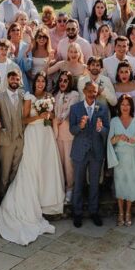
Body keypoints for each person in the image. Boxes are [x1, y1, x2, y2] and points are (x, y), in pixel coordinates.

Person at [0, 72, 65, 244]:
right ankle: (28, 202)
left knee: (46, 166)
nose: (40, 84)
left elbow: (53, 116)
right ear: (34, 83)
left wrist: (49, 116)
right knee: (31, 167)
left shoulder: (49, 97)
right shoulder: (29, 97)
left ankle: (45, 199)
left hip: (46, 135)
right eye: (38, 81)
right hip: (33, 134)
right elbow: (24, 119)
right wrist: (39, 116)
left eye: (43, 81)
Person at [69, 80, 110, 227]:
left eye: (95, 91)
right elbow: (72, 130)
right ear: (84, 91)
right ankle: (77, 213)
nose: (92, 94)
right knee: (78, 184)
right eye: (90, 91)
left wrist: (100, 129)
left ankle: (94, 212)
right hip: (80, 151)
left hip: (96, 152)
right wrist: (80, 126)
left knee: (94, 184)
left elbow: (107, 130)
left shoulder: (103, 108)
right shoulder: (75, 108)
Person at [107, 94, 135, 226]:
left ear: (131, 106)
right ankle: (121, 212)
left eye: (127, 104)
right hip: (120, 158)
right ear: (119, 106)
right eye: (122, 104)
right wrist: (118, 137)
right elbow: (110, 141)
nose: (125, 107)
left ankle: (128, 212)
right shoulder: (114, 121)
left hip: (133, 157)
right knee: (120, 185)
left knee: (132, 184)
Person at [0, 69, 26, 194]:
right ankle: (2, 197)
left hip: (20, 138)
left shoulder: (23, 96)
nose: (14, 81)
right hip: (6, 140)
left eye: (17, 79)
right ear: (8, 79)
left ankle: (12, 197)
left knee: (16, 170)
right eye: (12, 78)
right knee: (5, 171)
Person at [53, 72, 79, 203]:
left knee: (69, 164)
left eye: (65, 81)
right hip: (57, 134)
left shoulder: (74, 95)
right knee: (60, 163)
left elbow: (70, 110)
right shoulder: (56, 95)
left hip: (68, 134)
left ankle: (70, 188)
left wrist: (60, 119)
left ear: (70, 82)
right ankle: (61, 188)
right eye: (61, 80)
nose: (62, 83)